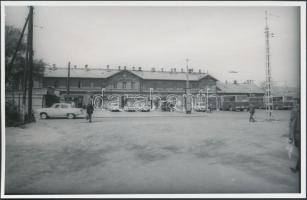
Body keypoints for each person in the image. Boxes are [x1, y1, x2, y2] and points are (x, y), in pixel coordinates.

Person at [289, 101, 300, 173]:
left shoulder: (296, 113)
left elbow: (292, 126)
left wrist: (291, 137)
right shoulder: (296, 112)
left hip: (298, 136)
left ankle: (297, 168)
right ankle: (297, 168)